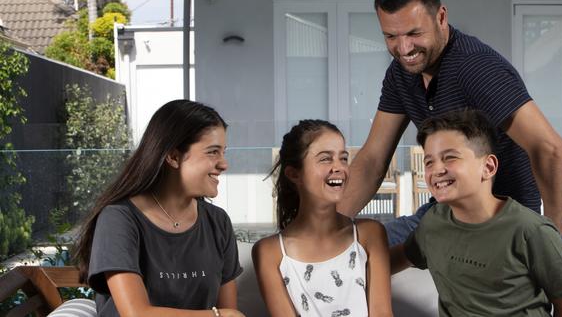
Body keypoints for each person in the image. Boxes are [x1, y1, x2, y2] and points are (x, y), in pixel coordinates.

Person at [338, 0, 562, 245]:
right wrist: (329, 229)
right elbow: (373, 159)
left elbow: (550, 148)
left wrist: (552, 239)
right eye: (391, 36)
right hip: (445, 214)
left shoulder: (476, 68)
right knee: (357, 249)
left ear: (441, 17)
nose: (403, 48)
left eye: (413, 33)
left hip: (503, 223)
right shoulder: (400, 74)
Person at [391, 109, 562, 316]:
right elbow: (394, 260)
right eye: (429, 162)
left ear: (488, 167)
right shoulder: (432, 224)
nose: (436, 170)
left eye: (450, 158)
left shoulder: (531, 230)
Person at [75, 100, 245, 317]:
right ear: (173, 157)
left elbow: (229, 310)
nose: (224, 164)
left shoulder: (218, 221)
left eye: (223, 152)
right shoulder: (118, 219)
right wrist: (218, 316)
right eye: (213, 152)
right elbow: (136, 314)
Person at [252, 120, 392, 317]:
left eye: (343, 158)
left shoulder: (369, 234)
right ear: (294, 174)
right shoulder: (269, 252)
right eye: (326, 159)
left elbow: (382, 314)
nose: (339, 167)